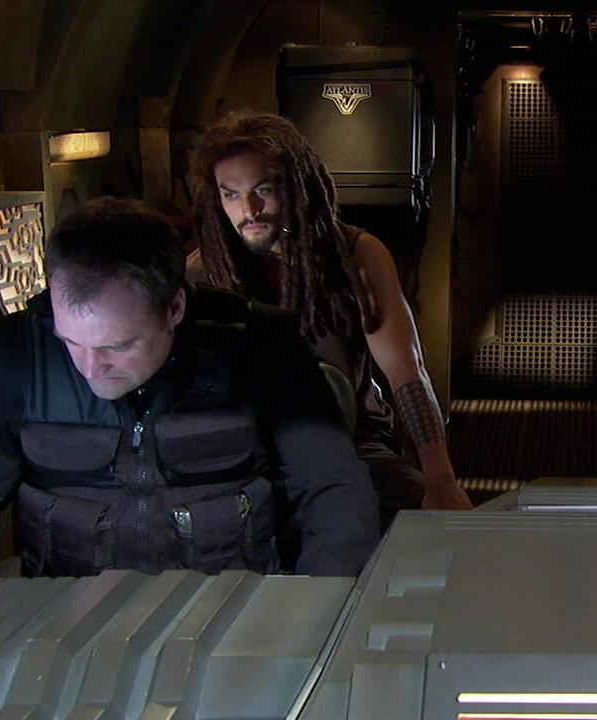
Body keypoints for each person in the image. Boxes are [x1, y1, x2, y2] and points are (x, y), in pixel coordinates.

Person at [0, 198, 379, 580]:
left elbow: (331, 485)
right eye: (70, 341)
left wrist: (328, 597)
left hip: (231, 607)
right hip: (65, 612)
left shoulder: (261, 346)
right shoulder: (15, 356)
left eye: (117, 346)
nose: (90, 367)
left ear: (174, 309)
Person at [187, 111, 472, 522]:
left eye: (263, 190)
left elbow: (407, 374)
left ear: (294, 187)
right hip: (251, 450)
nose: (248, 210)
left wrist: (441, 480)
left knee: (431, 528)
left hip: (351, 442)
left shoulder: (356, 256)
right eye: (231, 195)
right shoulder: (205, 272)